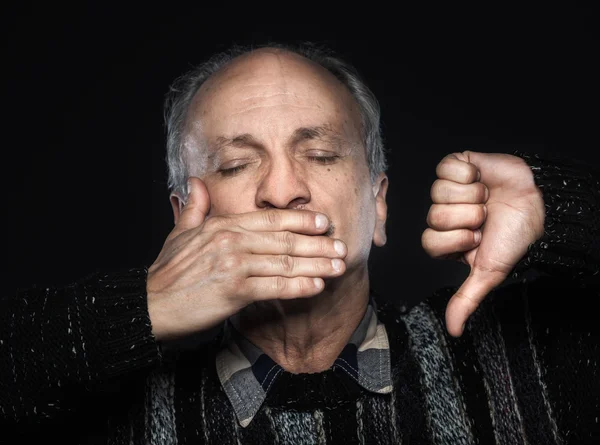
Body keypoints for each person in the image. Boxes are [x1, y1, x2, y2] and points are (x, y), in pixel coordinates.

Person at [2, 42, 598, 444]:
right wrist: (143, 306)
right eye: (236, 164)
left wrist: (561, 208)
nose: (283, 190)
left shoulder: (527, 361)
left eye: (319, 154)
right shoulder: (108, 410)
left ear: (379, 204)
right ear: (185, 218)